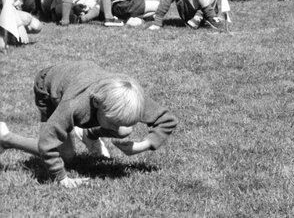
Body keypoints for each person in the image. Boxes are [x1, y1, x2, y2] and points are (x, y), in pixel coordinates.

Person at [0, 61, 178, 188]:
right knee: (67, 155)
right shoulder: (73, 106)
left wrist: (143, 145)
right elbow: (47, 142)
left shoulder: (129, 97)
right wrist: (62, 179)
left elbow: (167, 120)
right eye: (113, 123)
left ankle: (89, 135)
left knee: (125, 129)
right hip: (48, 86)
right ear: (97, 106)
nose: (115, 130)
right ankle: (6, 138)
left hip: (81, 75)